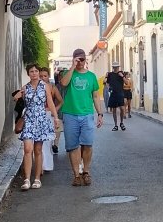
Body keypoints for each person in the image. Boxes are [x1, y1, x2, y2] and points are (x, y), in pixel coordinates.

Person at [13, 63, 60, 191]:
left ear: (38, 72)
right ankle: (27, 179)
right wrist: (17, 96)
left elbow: (50, 102)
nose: (34, 73)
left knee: (38, 150)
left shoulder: (45, 86)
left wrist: (55, 118)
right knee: (28, 149)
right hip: (28, 120)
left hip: (41, 120)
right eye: (31, 71)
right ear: (28, 73)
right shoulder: (25, 88)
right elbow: (17, 100)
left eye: (36, 71)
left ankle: (37, 178)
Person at [60, 48, 104, 185]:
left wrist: (100, 113)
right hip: (70, 114)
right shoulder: (68, 73)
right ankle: (76, 175)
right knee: (73, 146)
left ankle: (86, 171)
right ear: (73, 59)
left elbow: (95, 96)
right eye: (77, 59)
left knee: (88, 144)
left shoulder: (91, 76)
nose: (80, 62)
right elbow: (63, 83)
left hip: (87, 114)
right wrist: (72, 66)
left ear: (86, 60)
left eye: (82, 59)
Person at [105, 62, 127, 129]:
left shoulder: (121, 73)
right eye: (114, 67)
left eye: (116, 67)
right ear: (113, 67)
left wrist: (122, 76)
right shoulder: (110, 74)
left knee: (122, 108)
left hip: (120, 93)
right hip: (113, 93)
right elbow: (107, 83)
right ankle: (115, 125)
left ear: (118, 67)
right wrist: (109, 88)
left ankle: (121, 123)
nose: (115, 68)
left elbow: (126, 82)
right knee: (114, 109)